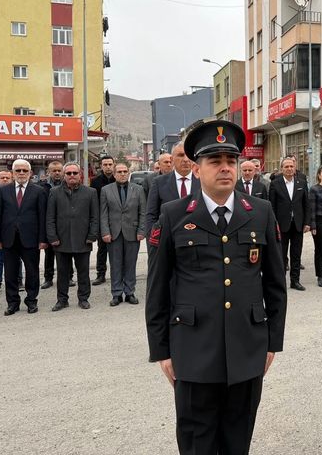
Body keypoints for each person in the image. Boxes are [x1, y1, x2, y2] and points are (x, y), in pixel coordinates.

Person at [146, 119, 287, 455]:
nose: (225, 168)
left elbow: (275, 286)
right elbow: (157, 288)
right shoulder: (174, 215)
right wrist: (162, 351)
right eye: (215, 161)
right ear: (197, 169)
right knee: (197, 442)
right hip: (193, 349)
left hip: (247, 347)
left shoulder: (261, 213)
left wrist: (272, 343)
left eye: (231, 161)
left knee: (237, 441)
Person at [0, 160, 48, 315]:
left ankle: (31, 301)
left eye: (25, 170)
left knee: (32, 272)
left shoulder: (39, 191)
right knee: (10, 273)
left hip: (30, 238)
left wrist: (43, 239)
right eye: (18, 170)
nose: (22, 173)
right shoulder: (2, 191)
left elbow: (42, 217)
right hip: (8, 239)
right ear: (13, 173)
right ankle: (12, 303)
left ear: (30, 173)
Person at [46, 162, 99, 311]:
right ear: (64, 175)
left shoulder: (91, 192)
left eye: (74, 173)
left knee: (83, 272)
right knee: (62, 273)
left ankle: (83, 299)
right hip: (61, 240)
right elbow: (50, 217)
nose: (72, 176)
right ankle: (62, 300)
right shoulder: (54, 192)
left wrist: (92, 235)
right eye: (68, 173)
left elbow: (94, 217)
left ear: (80, 175)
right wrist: (52, 237)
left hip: (83, 239)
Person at [100, 163, 146, 306]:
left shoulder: (138, 189)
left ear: (128, 173)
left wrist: (141, 231)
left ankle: (130, 292)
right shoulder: (106, 190)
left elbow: (143, 212)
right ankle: (117, 294)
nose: (122, 174)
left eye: (125, 171)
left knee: (130, 264)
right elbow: (103, 213)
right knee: (115, 264)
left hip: (132, 232)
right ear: (114, 174)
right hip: (114, 233)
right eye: (119, 172)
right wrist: (105, 231)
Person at [268, 156, 310, 291]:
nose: (289, 169)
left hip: (297, 224)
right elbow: (272, 207)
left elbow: (306, 204)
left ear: (295, 167)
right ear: (282, 169)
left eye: (291, 166)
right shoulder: (275, 184)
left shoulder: (301, 182)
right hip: (281, 225)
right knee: (281, 255)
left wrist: (307, 222)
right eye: (286, 167)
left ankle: (295, 281)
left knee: (296, 254)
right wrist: (274, 225)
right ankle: (281, 282)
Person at [147, 143, 199, 233]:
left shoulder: (203, 182)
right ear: (172, 159)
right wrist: (155, 242)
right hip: (169, 240)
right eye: (181, 155)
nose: (186, 159)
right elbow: (151, 215)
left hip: (197, 240)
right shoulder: (159, 183)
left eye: (189, 155)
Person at [38, 160, 71, 290]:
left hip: (65, 225)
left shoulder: (68, 185)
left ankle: (68, 277)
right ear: (48, 172)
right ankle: (48, 278)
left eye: (59, 170)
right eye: (54, 171)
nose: (57, 173)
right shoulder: (42, 187)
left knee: (67, 253)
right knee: (49, 253)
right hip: (49, 224)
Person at [90, 156, 115, 286]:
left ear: (113, 165)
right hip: (102, 220)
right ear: (101, 166)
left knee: (116, 248)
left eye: (110, 164)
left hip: (117, 220)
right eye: (105, 164)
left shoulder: (118, 179)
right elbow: (94, 203)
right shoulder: (95, 182)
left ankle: (117, 273)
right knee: (102, 248)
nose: (108, 167)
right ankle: (101, 274)